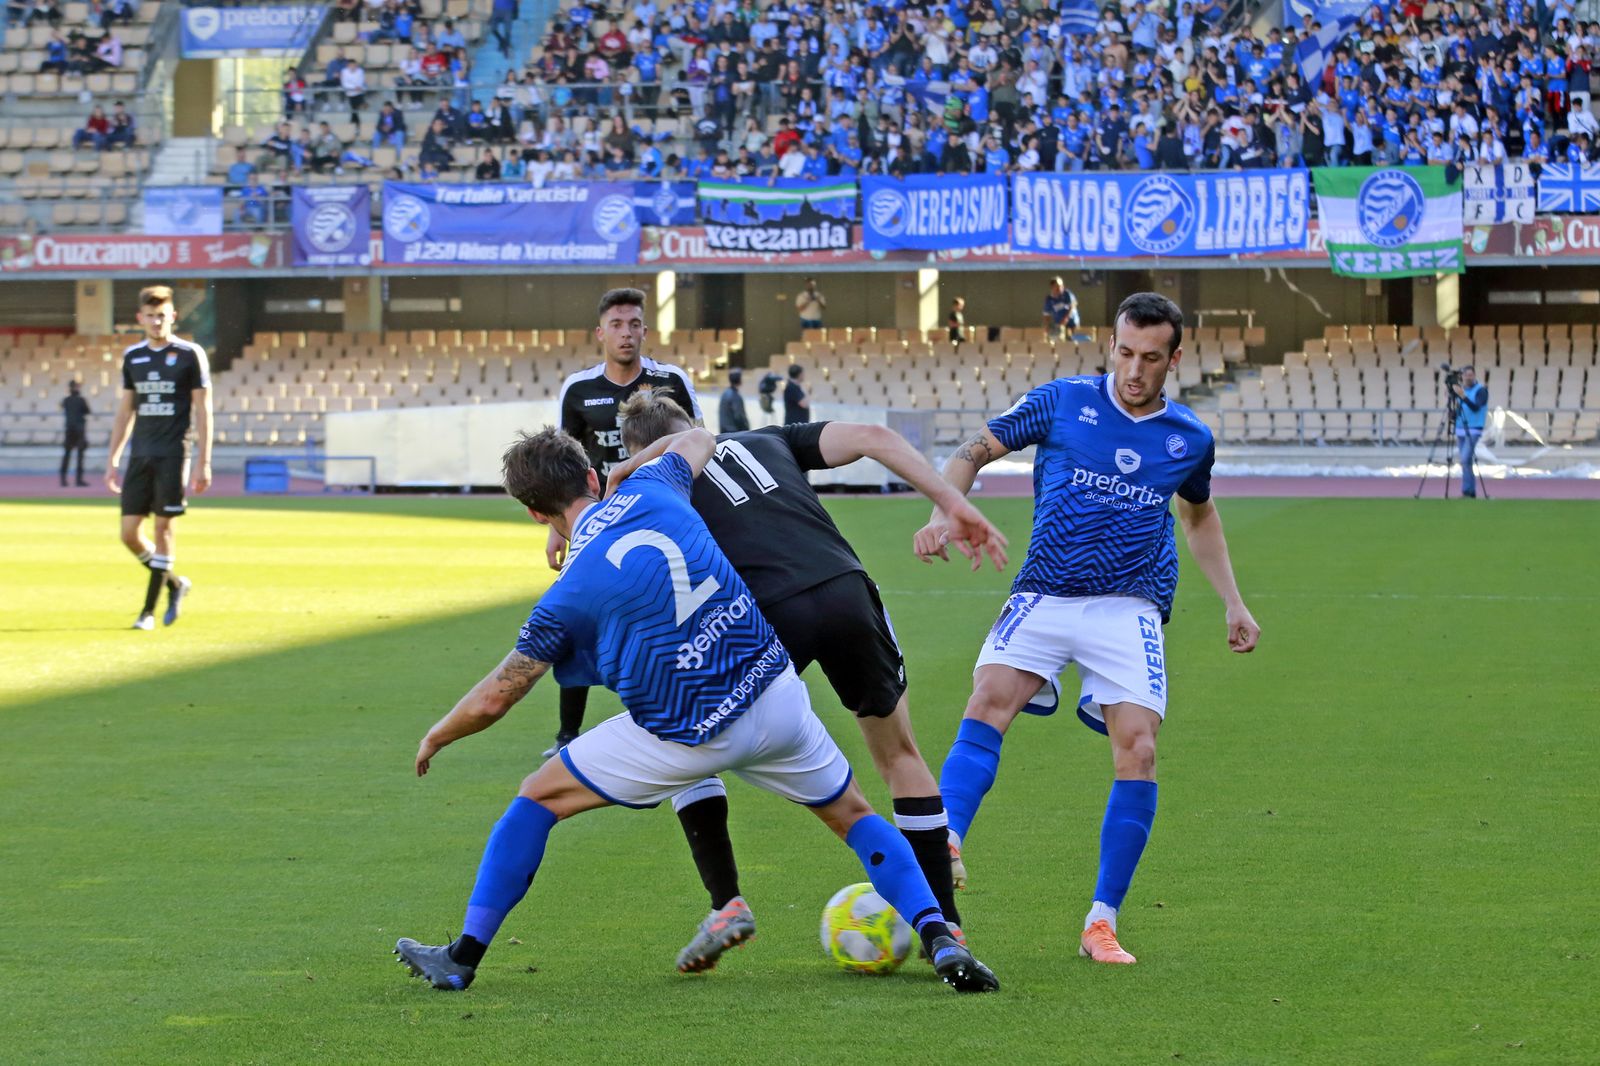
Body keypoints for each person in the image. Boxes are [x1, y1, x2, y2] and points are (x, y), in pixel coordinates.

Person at [393, 428, 998, 994]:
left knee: (536, 800)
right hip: (775, 694)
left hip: (691, 734)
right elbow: (699, 437)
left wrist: (437, 735)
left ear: (535, 514)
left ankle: (462, 958)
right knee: (854, 814)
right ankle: (941, 937)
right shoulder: (655, 487)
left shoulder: (564, 594)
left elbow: (499, 694)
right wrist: (631, 464)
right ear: (593, 477)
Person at [608, 391, 1008, 971]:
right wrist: (951, 501)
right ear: (696, 426)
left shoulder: (661, 483)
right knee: (899, 755)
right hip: (846, 588)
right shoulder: (768, 438)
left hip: (766, 614)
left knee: (680, 740)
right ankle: (947, 928)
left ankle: (726, 903)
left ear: (641, 453)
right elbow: (873, 433)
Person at [918, 292, 1261, 966]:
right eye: (1125, 352)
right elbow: (972, 450)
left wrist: (1233, 601)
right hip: (1044, 593)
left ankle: (1101, 921)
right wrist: (944, 510)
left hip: (1127, 607)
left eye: (1150, 358)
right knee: (987, 700)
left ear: (1175, 359)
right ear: (1112, 344)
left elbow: (1199, 518)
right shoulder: (1063, 400)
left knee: (1139, 750)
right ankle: (947, 839)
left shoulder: (1188, 437)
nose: (1134, 369)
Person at [547, 289, 703, 759]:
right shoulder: (578, 390)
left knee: (679, 609)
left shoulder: (670, 380)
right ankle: (566, 734)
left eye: (634, 324)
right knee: (576, 617)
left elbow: (699, 440)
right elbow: (563, 462)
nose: (626, 333)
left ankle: (692, 710)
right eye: (616, 324)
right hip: (598, 521)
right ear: (600, 333)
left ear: (645, 331)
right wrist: (557, 527)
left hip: (662, 513)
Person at [104, 286, 213, 630]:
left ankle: (147, 612)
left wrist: (203, 460)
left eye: (162, 315)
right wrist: (113, 459)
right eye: (150, 316)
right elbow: (125, 412)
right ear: (140, 318)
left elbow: (203, 409)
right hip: (140, 455)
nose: (156, 321)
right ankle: (175, 583)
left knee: (164, 528)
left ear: (173, 317)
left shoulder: (189, 354)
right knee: (128, 534)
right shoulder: (133, 357)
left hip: (173, 454)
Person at [1452, 365, 1488, 498]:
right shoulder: (1461, 391)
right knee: (1466, 461)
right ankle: (1470, 490)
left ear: (1474, 375)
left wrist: (1463, 396)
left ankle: (1467, 490)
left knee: (1465, 458)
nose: (1468, 377)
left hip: (1474, 429)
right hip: (1460, 428)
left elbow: (1476, 407)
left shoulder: (1481, 391)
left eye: (1470, 375)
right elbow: (1457, 410)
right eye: (1466, 375)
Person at [60, 380, 91, 487]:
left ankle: (63, 479)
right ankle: (78, 480)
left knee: (67, 455)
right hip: (79, 431)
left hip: (69, 429)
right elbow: (87, 411)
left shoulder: (66, 400)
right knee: (79, 456)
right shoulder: (81, 400)